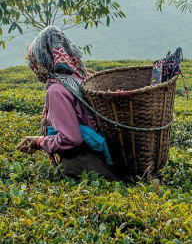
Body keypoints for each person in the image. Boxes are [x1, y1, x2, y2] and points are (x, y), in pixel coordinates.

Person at [16, 26, 121, 181]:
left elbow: (72, 139)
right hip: (104, 154)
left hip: (84, 161)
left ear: (43, 60)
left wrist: (40, 142)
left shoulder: (56, 90)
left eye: (34, 63)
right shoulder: (79, 77)